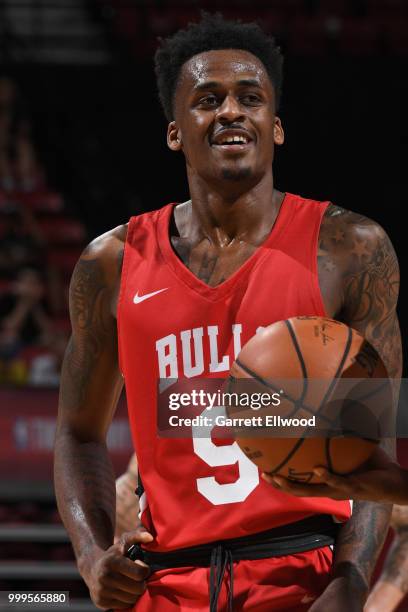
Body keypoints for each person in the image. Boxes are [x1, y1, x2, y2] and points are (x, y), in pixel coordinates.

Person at [54, 13, 402, 612]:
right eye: (207, 99)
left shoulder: (350, 250)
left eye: (251, 98)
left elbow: (374, 445)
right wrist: (91, 558)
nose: (232, 112)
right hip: (166, 584)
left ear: (278, 126)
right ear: (173, 132)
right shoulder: (110, 263)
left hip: (304, 576)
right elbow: (78, 433)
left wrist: (352, 578)